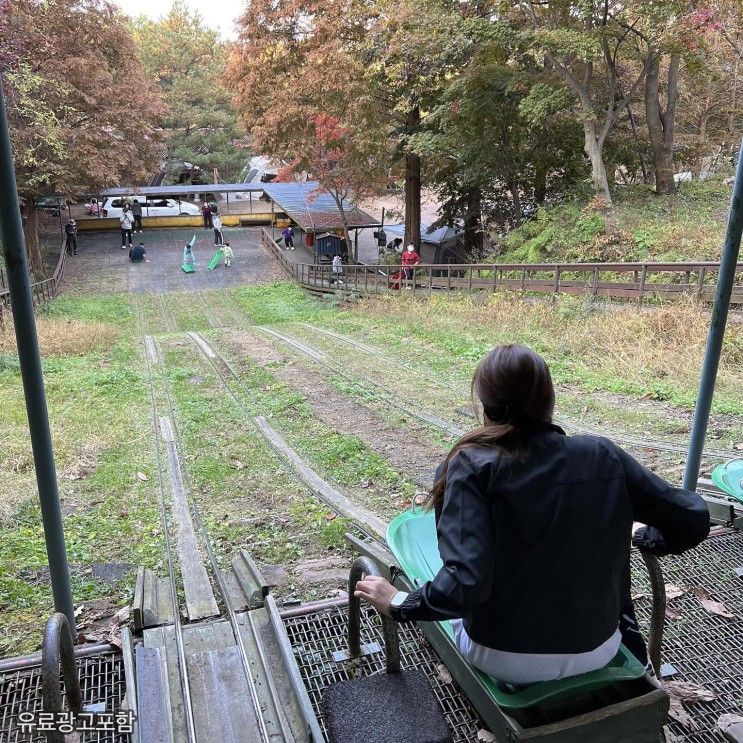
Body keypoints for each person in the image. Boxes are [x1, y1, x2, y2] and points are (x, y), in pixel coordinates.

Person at [355, 345, 709, 685]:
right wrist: (650, 538)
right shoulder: (603, 455)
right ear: (549, 399)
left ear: (487, 406)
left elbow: (465, 584)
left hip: (502, 656)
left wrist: (399, 602)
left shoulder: (470, 465)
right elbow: (692, 517)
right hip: (600, 646)